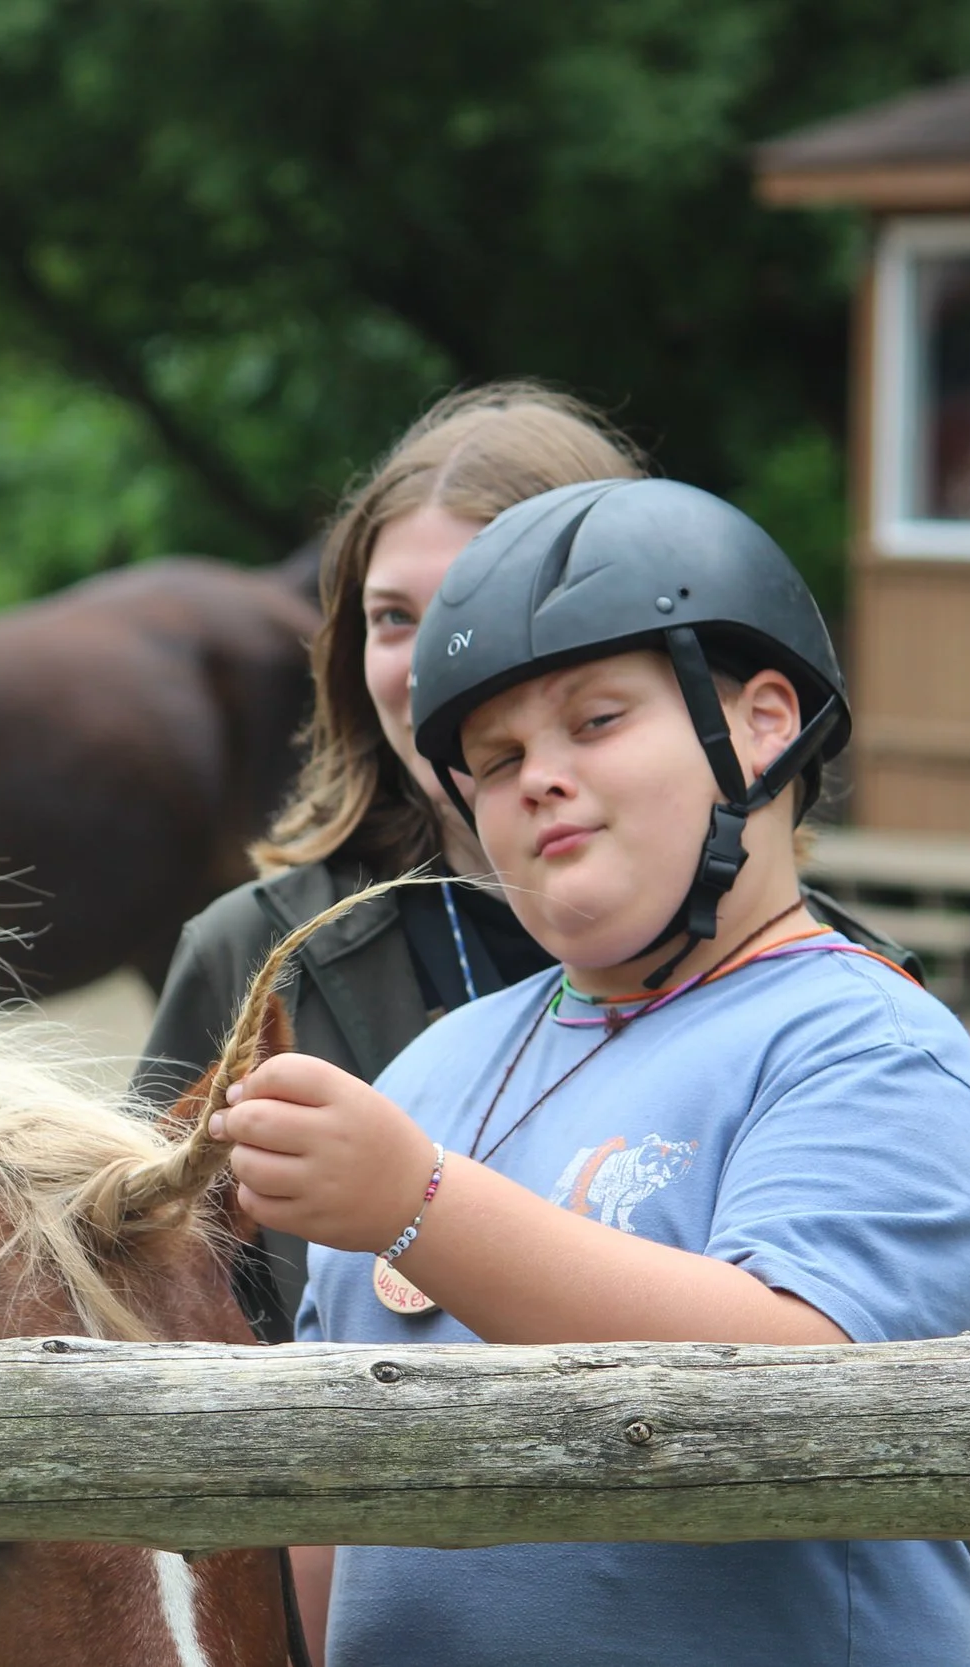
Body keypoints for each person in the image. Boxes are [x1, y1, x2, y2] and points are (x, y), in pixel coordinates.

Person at [213, 479, 970, 1666]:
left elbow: (800, 1391)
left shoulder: (868, 1045)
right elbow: (322, 1511)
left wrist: (416, 1204)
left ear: (761, 721)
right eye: (494, 759)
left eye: (594, 721)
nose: (537, 774)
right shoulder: (430, 1069)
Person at [133, 382, 645, 1340]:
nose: (424, 668)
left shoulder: (813, 973)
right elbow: (131, 1306)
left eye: (474, 608)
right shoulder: (254, 955)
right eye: (394, 619)